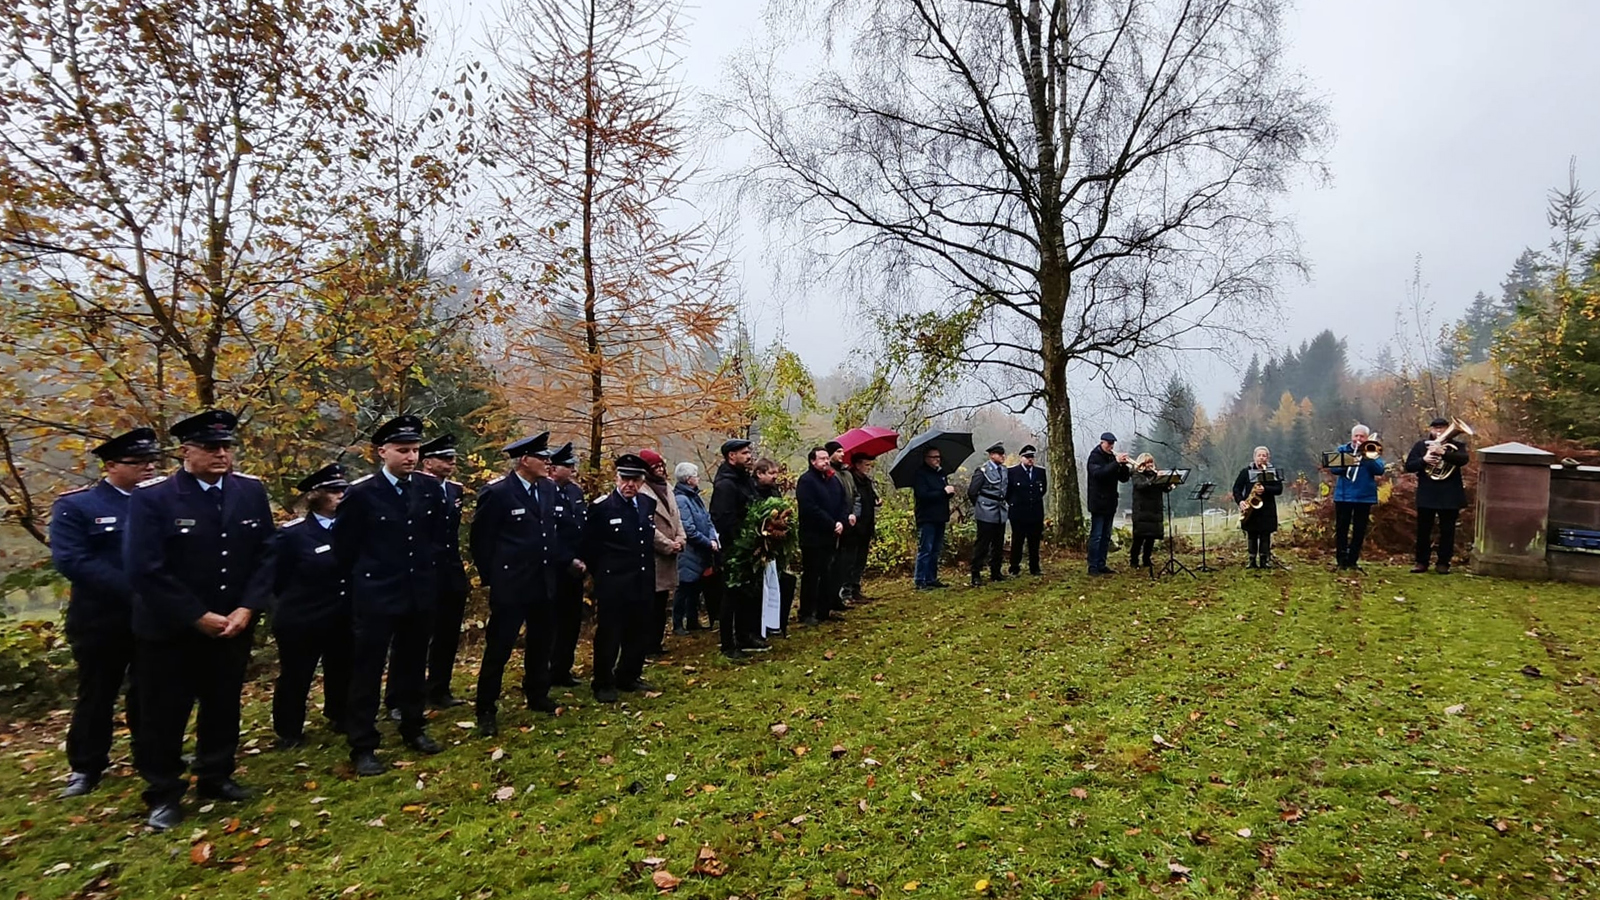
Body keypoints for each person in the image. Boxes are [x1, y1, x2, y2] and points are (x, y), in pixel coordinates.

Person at [124, 410, 274, 830]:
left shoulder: (249, 491)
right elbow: (145, 568)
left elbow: (265, 553)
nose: (221, 454)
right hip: (171, 628)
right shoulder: (153, 497)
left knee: (223, 704)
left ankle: (216, 774)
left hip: (233, 622)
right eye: (211, 448)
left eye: (226, 447)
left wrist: (248, 606)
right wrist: (195, 614)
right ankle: (164, 793)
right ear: (185, 451)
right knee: (164, 713)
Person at [334, 415, 448, 776]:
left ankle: (413, 727)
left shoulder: (428, 490)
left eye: (415, 450)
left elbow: (435, 538)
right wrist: (366, 584)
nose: (410, 457)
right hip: (377, 594)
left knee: (413, 665)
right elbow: (344, 548)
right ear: (382, 452)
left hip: (418, 593)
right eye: (402, 450)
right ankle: (363, 744)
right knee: (367, 670)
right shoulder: (362, 493)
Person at [50, 427, 159, 799]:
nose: (148, 468)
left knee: (149, 691)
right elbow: (72, 560)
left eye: (151, 461)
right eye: (138, 462)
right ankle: (86, 765)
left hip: (153, 618)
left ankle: (151, 754)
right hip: (100, 618)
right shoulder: (78, 505)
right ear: (110, 466)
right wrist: (137, 591)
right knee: (97, 693)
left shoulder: (160, 501)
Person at [469, 433, 559, 737]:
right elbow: (481, 541)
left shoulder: (547, 488)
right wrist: (494, 579)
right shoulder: (498, 493)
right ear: (524, 460)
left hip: (543, 582)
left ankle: (537, 692)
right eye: (542, 457)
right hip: (511, 585)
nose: (548, 462)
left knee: (541, 642)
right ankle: (486, 708)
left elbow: (549, 533)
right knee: (500, 647)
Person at [265, 464, 352, 749]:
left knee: (342, 667)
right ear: (315, 496)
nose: (341, 495)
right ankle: (289, 730)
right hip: (302, 617)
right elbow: (276, 579)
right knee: (297, 674)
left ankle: (339, 714)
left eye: (343, 490)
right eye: (333, 491)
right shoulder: (293, 535)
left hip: (343, 613)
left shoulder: (352, 528)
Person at [582, 454, 657, 702]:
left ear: (643, 481)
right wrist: (603, 575)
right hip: (614, 582)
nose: (630, 485)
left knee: (638, 631)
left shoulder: (646, 504)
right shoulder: (602, 507)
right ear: (617, 477)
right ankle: (603, 682)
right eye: (625, 478)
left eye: (635, 480)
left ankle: (629, 675)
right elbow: (589, 548)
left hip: (642, 579)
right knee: (610, 634)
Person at [417, 433, 470, 708]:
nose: (452, 462)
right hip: (423, 570)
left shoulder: (454, 490)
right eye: (445, 458)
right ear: (427, 462)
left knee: (448, 633)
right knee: (415, 638)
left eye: (453, 458)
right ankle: (403, 697)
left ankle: (439, 688)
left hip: (450, 569)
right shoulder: (415, 488)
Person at [709, 438, 760, 659]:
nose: (749, 456)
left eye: (749, 452)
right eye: (744, 453)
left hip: (750, 546)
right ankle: (728, 644)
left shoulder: (745, 480)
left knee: (746, 594)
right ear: (732, 456)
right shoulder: (726, 485)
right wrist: (740, 541)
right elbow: (722, 519)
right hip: (733, 549)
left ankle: (744, 636)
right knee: (730, 596)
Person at [1404, 417, 1470, 574]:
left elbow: (1463, 460)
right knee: (1423, 530)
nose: (1439, 431)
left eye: (1442, 428)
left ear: (1448, 429)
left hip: (1450, 494)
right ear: (1430, 430)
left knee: (1447, 530)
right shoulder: (1421, 446)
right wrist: (1424, 460)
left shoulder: (1456, 446)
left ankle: (1443, 563)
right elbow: (1409, 466)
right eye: (1436, 428)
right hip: (1427, 493)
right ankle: (1421, 562)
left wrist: (1443, 453)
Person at [546, 442, 588, 686]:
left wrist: (584, 559)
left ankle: (563, 669)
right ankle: (546, 670)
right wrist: (566, 559)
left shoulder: (575, 492)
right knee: (550, 623)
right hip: (554, 569)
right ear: (553, 469)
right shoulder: (545, 492)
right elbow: (549, 535)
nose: (573, 468)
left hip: (576, 570)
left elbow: (581, 529)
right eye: (568, 465)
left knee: (571, 623)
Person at [795, 446, 849, 625]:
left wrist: (841, 521)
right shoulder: (806, 481)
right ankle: (807, 612)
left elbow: (843, 502)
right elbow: (809, 508)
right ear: (812, 461)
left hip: (832, 534)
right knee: (812, 575)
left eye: (827, 458)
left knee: (828, 573)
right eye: (821, 459)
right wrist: (831, 523)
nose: (826, 461)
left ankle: (824, 610)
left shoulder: (833, 480)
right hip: (813, 536)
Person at [639, 449, 685, 654]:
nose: (659, 470)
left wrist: (681, 539)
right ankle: (647, 643)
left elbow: (677, 519)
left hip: (671, 552)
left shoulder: (667, 487)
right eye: (654, 467)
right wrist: (667, 544)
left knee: (661, 602)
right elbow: (647, 526)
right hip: (654, 555)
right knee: (650, 602)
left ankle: (656, 642)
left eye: (661, 466)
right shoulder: (642, 490)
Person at [1329, 423, 1386, 572]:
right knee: (1342, 529)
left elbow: (1379, 470)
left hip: (1364, 497)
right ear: (1352, 437)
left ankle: (1353, 560)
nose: (1358, 439)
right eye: (1356, 436)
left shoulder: (1372, 451)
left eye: (1362, 436)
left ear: (1367, 438)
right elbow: (1334, 469)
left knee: (1359, 530)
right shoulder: (1343, 450)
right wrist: (1350, 461)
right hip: (1344, 496)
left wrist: (1366, 457)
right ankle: (1341, 561)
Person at [672, 462, 718, 633]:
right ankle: (677, 624)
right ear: (689, 479)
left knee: (695, 587)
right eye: (696, 476)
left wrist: (713, 537)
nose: (698, 478)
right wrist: (708, 542)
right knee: (684, 587)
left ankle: (692, 621)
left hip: (701, 550)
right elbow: (688, 529)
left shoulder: (694, 497)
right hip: (689, 552)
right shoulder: (681, 500)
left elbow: (707, 519)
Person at [755, 459, 798, 636]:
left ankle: (777, 622)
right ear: (759, 473)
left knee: (783, 581)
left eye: (776, 473)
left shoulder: (774, 491)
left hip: (776, 545)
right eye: (771, 473)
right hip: (760, 543)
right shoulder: (754, 491)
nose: (775, 477)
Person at [1085, 432, 1132, 575]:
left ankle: (1101, 564)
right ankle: (1092, 566)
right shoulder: (1094, 457)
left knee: (1106, 536)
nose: (1111, 447)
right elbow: (1100, 474)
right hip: (1098, 502)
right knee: (1097, 535)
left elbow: (1123, 479)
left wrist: (1124, 466)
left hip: (1111, 502)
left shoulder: (1112, 458)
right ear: (1102, 442)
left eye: (1113, 444)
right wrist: (1116, 462)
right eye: (1109, 444)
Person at [1232, 446, 1285, 569]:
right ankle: (1251, 561)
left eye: (1264, 456)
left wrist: (1265, 489)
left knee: (1265, 534)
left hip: (1267, 508)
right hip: (1251, 508)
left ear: (1268, 458)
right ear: (1254, 457)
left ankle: (1264, 560)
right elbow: (1236, 489)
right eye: (1259, 455)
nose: (1261, 458)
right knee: (1252, 534)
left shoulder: (1272, 472)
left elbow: (1279, 489)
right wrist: (1240, 502)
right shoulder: (1245, 472)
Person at [912, 447, 956, 590]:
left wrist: (949, 493)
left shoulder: (941, 473)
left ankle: (931, 578)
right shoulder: (920, 474)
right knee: (926, 549)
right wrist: (943, 492)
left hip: (940, 516)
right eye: (934, 457)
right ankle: (920, 580)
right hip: (927, 517)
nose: (938, 459)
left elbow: (942, 494)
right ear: (926, 458)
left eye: (939, 456)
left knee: (936, 549)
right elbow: (923, 495)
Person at [967, 442, 1010, 586]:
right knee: (982, 544)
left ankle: (996, 572)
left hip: (1000, 510)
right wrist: (980, 506)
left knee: (998, 544)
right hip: (986, 510)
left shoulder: (1004, 470)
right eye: (999, 454)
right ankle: (976, 573)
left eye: (1003, 454)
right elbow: (973, 491)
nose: (1003, 456)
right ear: (992, 455)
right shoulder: (983, 470)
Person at [825, 440, 860, 610]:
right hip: (836, 523)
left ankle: (838, 597)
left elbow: (855, 495)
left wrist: (854, 513)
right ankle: (831, 597)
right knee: (833, 562)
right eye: (838, 451)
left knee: (845, 561)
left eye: (842, 451)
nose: (842, 454)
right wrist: (841, 518)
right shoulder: (829, 474)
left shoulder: (847, 474)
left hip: (850, 522)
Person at [843, 453, 880, 601]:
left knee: (860, 560)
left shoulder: (866, 481)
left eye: (870, 465)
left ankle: (855, 589)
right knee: (850, 560)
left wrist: (876, 500)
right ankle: (846, 591)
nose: (868, 468)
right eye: (866, 465)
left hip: (866, 525)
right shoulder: (850, 480)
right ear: (857, 465)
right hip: (854, 527)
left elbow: (869, 497)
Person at [1006, 444, 1047, 576]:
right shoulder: (1012, 472)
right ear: (1021, 458)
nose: (1030, 459)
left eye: (1032, 457)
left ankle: (1034, 567)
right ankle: (1014, 567)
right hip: (1018, 513)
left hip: (1035, 512)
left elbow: (1042, 490)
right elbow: (1008, 492)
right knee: (1017, 541)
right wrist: (1013, 504)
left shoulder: (1040, 472)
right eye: (1027, 457)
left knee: (1034, 542)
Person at [1127, 454, 1165, 570]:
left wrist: (1166, 481)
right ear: (1141, 464)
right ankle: (1134, 560)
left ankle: (1147, 559)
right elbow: (1140, 486)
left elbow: (1163, 489)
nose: (1149, 465)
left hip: (1154, 510)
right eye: (1147, 463)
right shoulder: (1136, 474)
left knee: (1151, 537)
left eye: (1151, 463)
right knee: (1139, 538)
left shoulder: (1154, 475)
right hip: (1141, 510)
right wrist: (1154, 479)